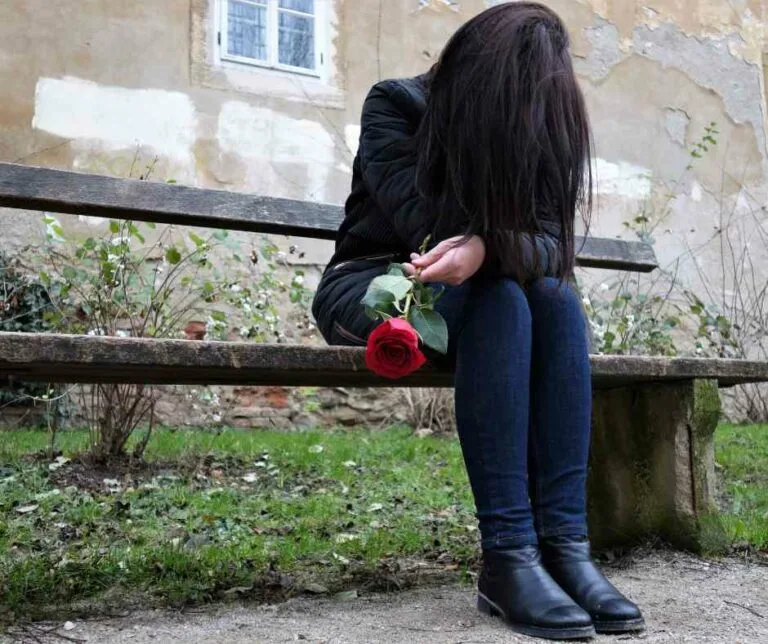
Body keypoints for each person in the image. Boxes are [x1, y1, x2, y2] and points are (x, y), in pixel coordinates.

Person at [312, 2, 644, 640]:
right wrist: (493, 247)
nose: (529, 115)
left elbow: (553, 249)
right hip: (378, 281)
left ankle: (565, 547)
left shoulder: (534, 131)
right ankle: (508, 554)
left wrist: (490, 248)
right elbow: (427, 228)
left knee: (554, 299)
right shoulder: (397, 105)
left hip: (486, 286)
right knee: (503, 299)